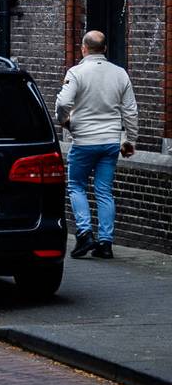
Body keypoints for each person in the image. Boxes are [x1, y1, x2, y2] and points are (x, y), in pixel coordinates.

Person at [55, 30, 138, 260]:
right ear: (105, 49)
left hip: (83, 141)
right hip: (111, 142)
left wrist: (65, 121)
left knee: (76, 186)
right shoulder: (120, 74)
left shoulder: (77, 72)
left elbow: (63, 102)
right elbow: (130, 110)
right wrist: (129, 140)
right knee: (104, 191)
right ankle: (105, 243)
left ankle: (84, 234)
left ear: (84, 48)